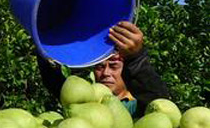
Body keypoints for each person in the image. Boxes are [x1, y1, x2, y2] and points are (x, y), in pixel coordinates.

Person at [37, 21, 169, 116]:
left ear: (127, 70)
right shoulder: (86, 102)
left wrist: (136, 58)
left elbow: (159, 103)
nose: (106, 73)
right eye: (99, 67)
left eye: (114, 66)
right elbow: (56, 84)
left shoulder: (133, 106)